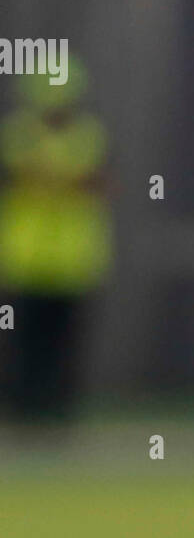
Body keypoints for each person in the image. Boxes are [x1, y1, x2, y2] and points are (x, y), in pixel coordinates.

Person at [0, 61, 111, 423]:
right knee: (24, 338)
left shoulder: (89, 135)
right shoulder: (17, 133)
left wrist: (57, 180)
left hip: (72, 257)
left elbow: (99, 183)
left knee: (63, 340)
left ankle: (57, 409)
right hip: (27, 255)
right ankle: (22, 408)